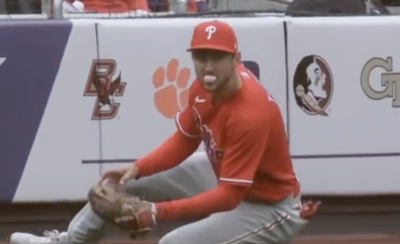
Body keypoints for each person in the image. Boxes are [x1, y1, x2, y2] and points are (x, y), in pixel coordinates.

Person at [10, 20, 319, 244]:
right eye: (201, 56)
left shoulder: (251, 115)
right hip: (225, 174)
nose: (208, 66)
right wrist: (138, 167)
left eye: (217, 57)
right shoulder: (202, 86)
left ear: (236, 60)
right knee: (124, 186)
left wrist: (157, 213)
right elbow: (185, 140)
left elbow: (229, 196)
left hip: (268, 207)